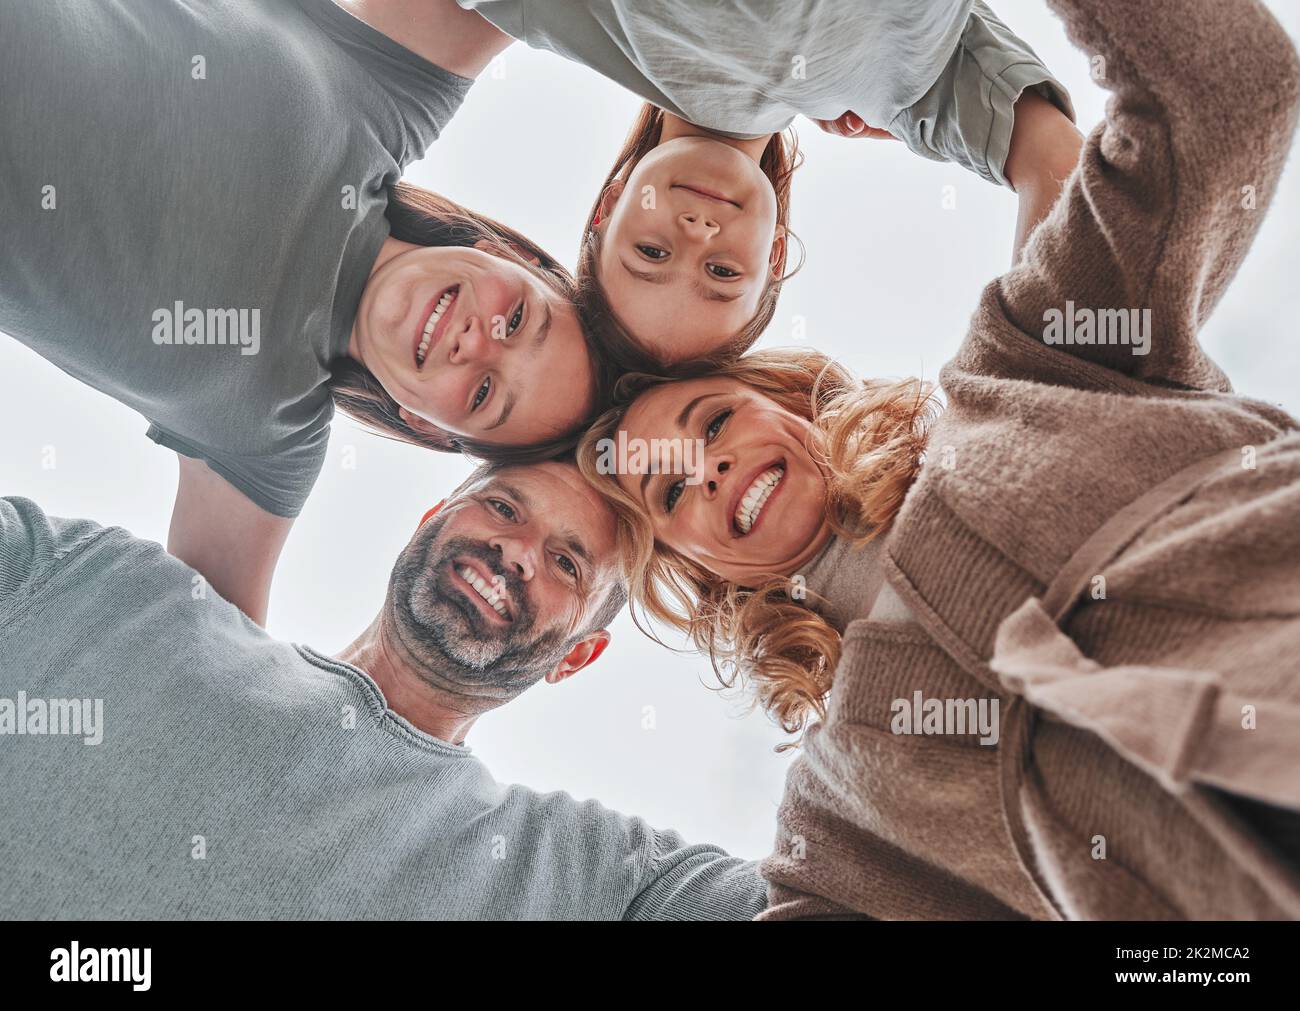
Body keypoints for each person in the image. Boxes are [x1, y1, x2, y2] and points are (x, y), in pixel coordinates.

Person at [577, 0, 1300, 918]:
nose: (709, 470)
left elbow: (1227, 90)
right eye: (671, 487)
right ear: (697, 566)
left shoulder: (1031, 363)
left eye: (713, 426)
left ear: (788, 405)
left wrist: (961, 89)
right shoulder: (840, 825)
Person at [0, 0, 619, 626]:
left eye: (485, 392)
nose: (476, 342)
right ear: (507, 256)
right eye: (516, 321)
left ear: (426, 424)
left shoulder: (269, 436)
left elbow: (200, 653)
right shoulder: (392, 87)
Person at [0, 459, 766, 919]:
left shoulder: (581, 875)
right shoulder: (109, 584)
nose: (516, 551)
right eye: (503, 506)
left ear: (577, 657)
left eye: (567, 563)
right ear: (430, 517)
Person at [459, 0, 1083, 364]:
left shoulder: (571, 17)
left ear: (612, 203)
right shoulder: (910, 94)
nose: (698, 234)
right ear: (776, 250)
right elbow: (1058, 170)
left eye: (651, 253)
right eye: (724, 273)